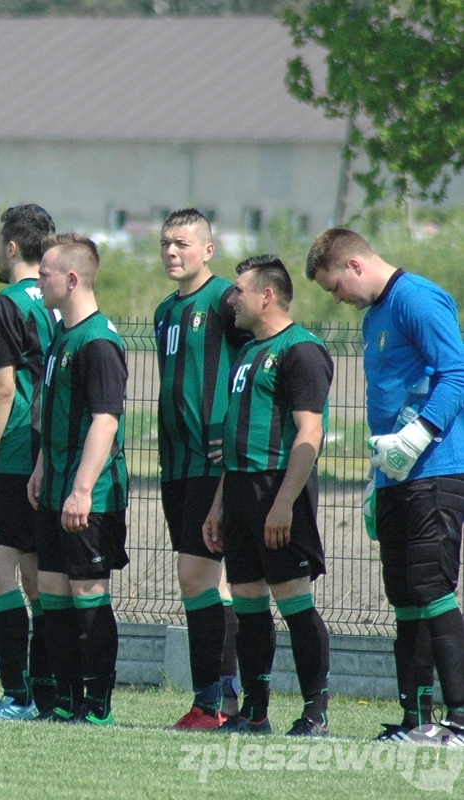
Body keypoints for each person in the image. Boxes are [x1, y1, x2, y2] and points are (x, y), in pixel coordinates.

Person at [307, 228, 464, 744]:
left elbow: (456, 373)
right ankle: (417, 719)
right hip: (395, 476)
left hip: (435, 469)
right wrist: (377, 481)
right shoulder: (375, 315)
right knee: (403, 594)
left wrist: (418, 436)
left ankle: (460, 720)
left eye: (334, 287)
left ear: (354, 266)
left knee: (431, 587)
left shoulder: (415, 298)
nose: (337, 299)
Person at [202, 255, 334, 737]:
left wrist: (282, 503)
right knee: (249, 603)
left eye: (238, 290)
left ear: (267, 296)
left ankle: (315, 712)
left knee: (294, 601)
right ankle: (254, 711)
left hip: (278, 490)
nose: (230, 299)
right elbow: (234, 440)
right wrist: (219, 505)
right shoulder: (246, 353)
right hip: (238, 491)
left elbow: (311, 431)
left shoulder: (302, 351)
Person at [154, 208, 249, 729]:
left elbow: (255, 365)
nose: (172, 251)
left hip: (213, 465)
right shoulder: (165, 310)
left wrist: (232, 436)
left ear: (208, 250)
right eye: (167, 242)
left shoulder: (227, 302)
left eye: (183, 243)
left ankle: (217, 701)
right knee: (197, 583)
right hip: (176, 465)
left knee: (202, 578)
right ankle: (215, 700)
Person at [29, 233, 128, 726]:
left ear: (71, 280)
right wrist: (44, 468)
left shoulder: (99, 341)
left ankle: (97, 705)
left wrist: (82, 489)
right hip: (55, 489)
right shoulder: (61, 336)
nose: (38, 280)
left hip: (90, 494)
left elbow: (105, 421)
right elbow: (54, 414)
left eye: (45, 273)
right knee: (52, 594)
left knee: (87, 595)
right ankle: (66, 700)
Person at [0, 204, 58, 720]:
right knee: (34, 581)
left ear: (10, 247)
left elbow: (4, 384)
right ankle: (42, 692)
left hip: (16, 451)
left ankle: (18, 694)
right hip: (48, 448)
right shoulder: (55, 298)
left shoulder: (7, 301)